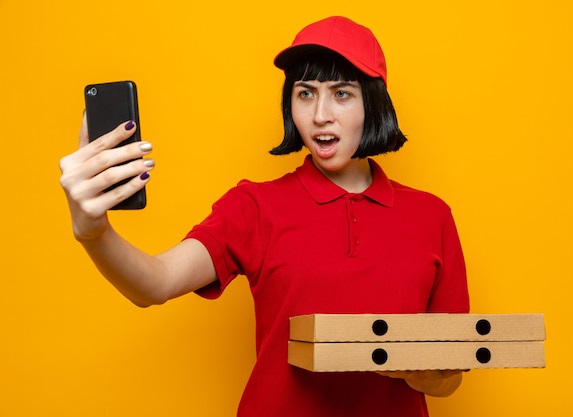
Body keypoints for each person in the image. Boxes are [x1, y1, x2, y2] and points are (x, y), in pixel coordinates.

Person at [59, 16, 469, 417]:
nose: (320, 114)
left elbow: (451, 378)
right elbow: (155, 283)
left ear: (373, 102)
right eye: (305, 93)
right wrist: (93, 233)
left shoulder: (431, 216)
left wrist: (419, 370)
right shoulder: (255, 207)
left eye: (341, 93)